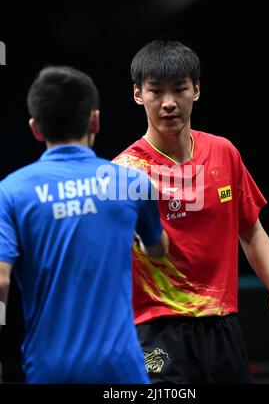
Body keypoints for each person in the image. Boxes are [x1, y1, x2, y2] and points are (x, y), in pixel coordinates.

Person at [113, 40, 269, 383]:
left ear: (196, 90)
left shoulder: (223, 152)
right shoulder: (125, 171)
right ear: (138, 95)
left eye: (179, 89)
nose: (169, 103)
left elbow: (251, 230)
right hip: (156, 328)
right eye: (156, 92)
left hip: (223, 326)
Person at [0, 66, 168, 384]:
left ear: (36, 128)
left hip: (50, 370)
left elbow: (1, 282)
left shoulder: (10, 191)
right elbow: (158, 249)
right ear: (95, 120)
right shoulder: (133, 183)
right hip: (120, 370)